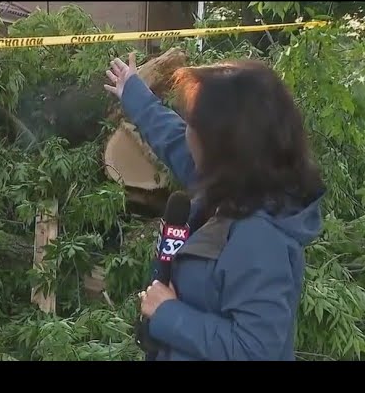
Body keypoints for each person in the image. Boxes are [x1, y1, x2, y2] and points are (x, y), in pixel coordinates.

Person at [104, 53, 325, 361]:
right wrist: (134, 93)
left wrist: (168, 314)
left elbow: (257, 350)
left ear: (224, 141)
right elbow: (172, 140)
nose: (186, 131)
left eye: (193, 123)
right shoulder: (233, 184)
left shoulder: (259, 237)